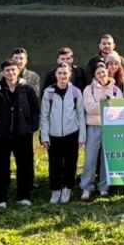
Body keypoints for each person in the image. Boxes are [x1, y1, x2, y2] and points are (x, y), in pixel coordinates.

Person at [0, 59, 39, 208]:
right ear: (3, 73)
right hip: (2, 135)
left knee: (24, 165)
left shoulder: (27, 89)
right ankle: (0, 198)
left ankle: (23, 196)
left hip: (23, 134)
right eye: (7, 70)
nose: (10, 73)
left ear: (18, 71)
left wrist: (32, 127)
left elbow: (35, 110)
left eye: (13, 70)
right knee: (0, 167)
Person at [39, 62, 84, 204]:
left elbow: (81, 115)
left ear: (70, 74)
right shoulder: (48, 93)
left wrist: (82, 136)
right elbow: (44, 116)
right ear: (55, 75)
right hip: (54, 135)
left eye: (65, 73)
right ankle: (55, 189)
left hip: (72, 133)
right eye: (60, 73)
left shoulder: (76, 92)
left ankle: (67, 188)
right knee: (55, 164)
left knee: (71, 163)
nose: (63, 76)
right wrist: (44, 136)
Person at [81, 62, 122, 201]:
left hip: (110, 128)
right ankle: (87, 187)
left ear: (108, 72)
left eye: (103, 72)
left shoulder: (116, 89)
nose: (102, 75)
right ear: (95, 75)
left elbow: (120, 109)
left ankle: (104, 187)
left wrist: (111, 104)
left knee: (106, 158)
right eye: (98, 73)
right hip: (93, 127)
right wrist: (104, 104)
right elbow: (89, 108)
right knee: (90, 159)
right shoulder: (89, 89)